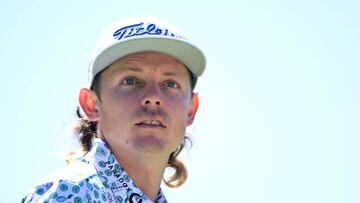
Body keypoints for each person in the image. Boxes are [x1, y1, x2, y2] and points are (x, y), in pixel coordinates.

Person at [21, 16, 206, 203]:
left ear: (191, 109)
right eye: (130, 80)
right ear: (91, 104)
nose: (153, 97)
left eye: (170, 83)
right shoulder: (71, 193)